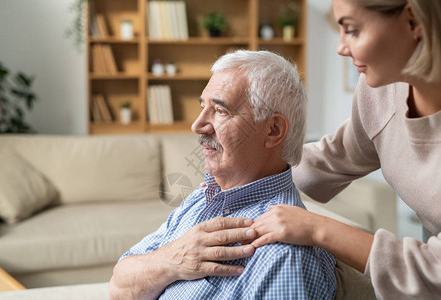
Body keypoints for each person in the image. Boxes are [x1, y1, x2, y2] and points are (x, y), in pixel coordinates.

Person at [248, 0, 441, 299]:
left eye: (352, 30)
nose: (341, 47)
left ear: (413, 21)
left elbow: (434, 270)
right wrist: (248, 168)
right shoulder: (381, 90)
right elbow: (333, 158)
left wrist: (316, 228)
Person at [108, 50, 337, 300]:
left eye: (220, 110)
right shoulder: (205, 195)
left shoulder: (283, 256)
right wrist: (171, 260)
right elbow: (119, 287)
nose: (197, 125)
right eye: (203, 105)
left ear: (273, 130)